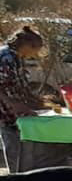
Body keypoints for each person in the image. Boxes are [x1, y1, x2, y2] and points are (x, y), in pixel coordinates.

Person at [0, 25, 45, 172]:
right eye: (35, 50)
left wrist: (35, 100)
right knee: (12, 143)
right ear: (27, 45)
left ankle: (22, 176)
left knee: (20, 145)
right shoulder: (5, 57)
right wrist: (13, 104)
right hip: (5, 111)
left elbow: (20, 84)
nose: (35, 55)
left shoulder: (16, 57)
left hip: (14, 110)